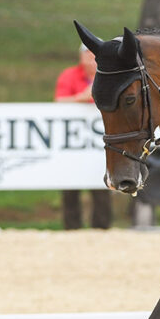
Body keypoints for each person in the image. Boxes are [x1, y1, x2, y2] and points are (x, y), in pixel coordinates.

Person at [54, 44, 112, 230]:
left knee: (102, 185)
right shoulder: (69, 75)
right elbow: (59, 101)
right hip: (73, 142)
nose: (91, 59)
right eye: (88, 55)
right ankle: (71, 228)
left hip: (101, 140)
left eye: (94, 55)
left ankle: (102, 228)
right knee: (70, 185)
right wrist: (81, 98)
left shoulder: (110, 75)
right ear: (81, 57)